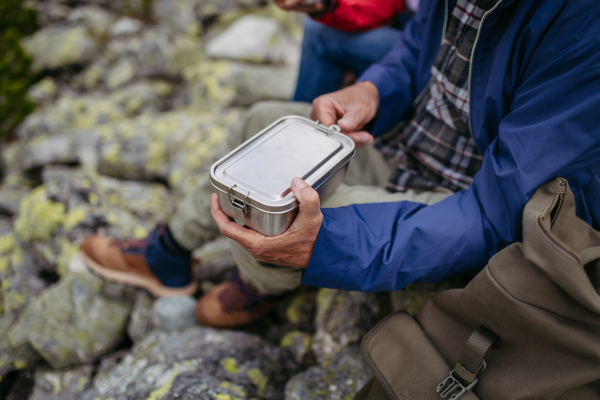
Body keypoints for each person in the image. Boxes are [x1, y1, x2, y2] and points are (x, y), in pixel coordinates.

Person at [80, 0, 600, 330]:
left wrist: (323, 246)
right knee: (260, 123)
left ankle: (264, 284)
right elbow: (417, 49)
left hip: (460, 201)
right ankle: (168, 253)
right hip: (407, 148)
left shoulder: (584, 31)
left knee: (276, 212)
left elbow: (500, 214)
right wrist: (374, 89)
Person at [274, 0, 414, 103]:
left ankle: (306, 125)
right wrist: (328, 6)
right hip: (406, 29)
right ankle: (305, 119)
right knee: (318, 28)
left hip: (425, 51)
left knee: (320, 35)